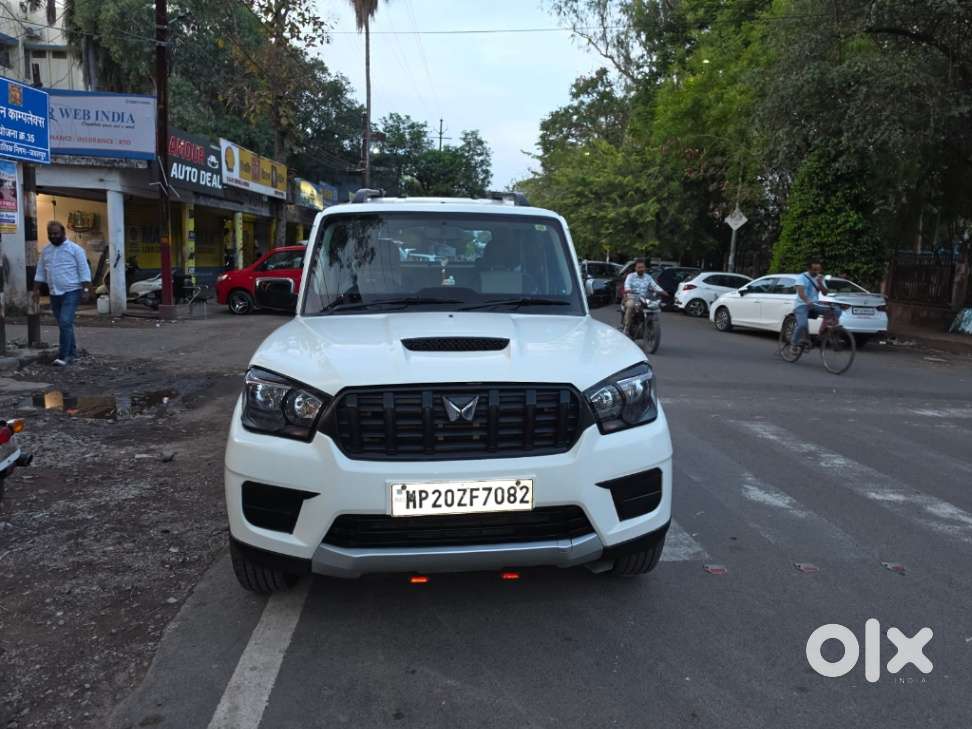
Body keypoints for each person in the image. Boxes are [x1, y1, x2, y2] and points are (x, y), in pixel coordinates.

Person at [32, 221, 92, 366]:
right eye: (50, 234)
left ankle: (64, 356)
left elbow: (84, 270)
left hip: (71, 291)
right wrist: (35, 290)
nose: (53, 236)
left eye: (56, 233)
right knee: (64, 324)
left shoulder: (75, 249)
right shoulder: (46, 251)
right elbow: (40, 271)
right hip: (54, 293)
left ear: (63, 232)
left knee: (65, 322)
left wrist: (86, 290)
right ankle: (72, 353)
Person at [790, 258, 840, 351]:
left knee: (836, 310)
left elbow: (825, 293)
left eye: (819, 269)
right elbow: (801, 293)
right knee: (802, 325)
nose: (817, 272)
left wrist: (820, 282)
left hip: (815, 304)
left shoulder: (820, 277)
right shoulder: (802, 277)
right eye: (814, 270)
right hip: (802, 305)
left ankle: (827, 329)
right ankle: (794, 343)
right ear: (809, 269)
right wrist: (807, 300)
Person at [622, 258, 666, 336]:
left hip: (644, 298)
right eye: (639, 267)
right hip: (631, 297)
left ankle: (648, 324)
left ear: (645, 268)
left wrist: (663, 292)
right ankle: (626, 328)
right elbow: (627, 285)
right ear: (635, 268)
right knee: (631, 305)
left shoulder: (648, 277)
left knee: (654, 306)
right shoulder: (630, 276)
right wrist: (628, 290)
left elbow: (654, 286)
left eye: (642, 267)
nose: (641, 269)